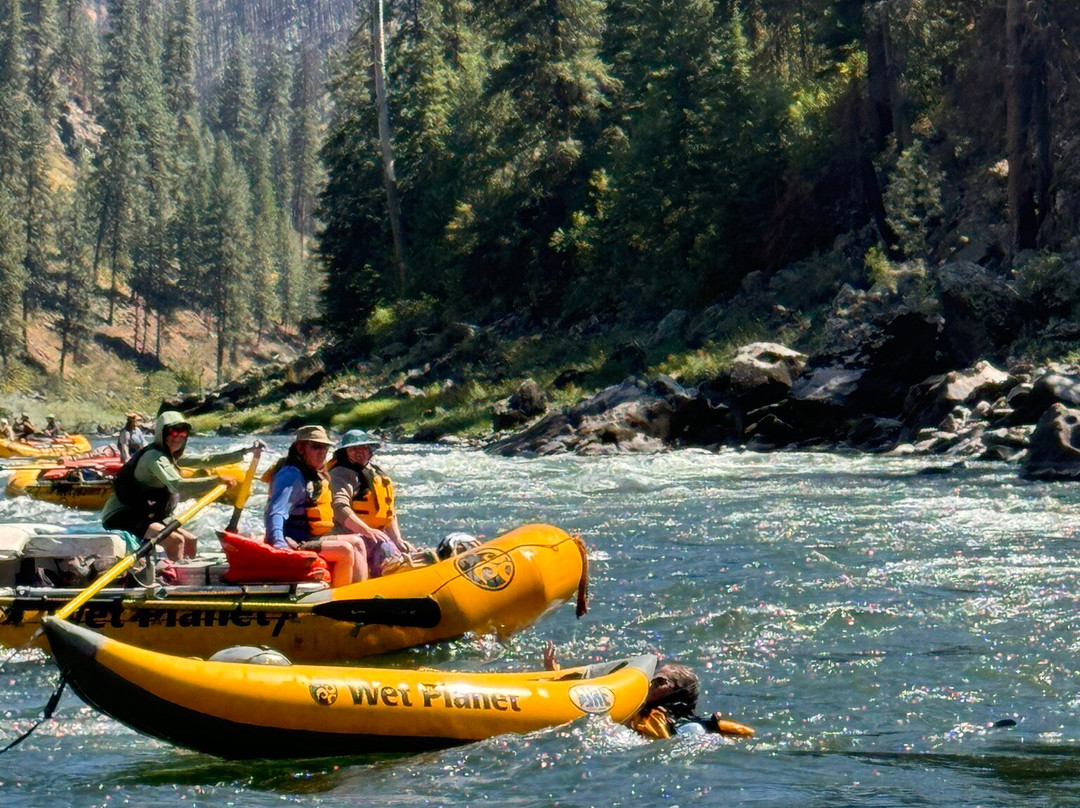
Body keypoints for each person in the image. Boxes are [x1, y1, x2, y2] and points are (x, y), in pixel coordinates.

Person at [101, 411, 247, 561]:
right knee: (175, 541)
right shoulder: (154, 457)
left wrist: (243, 453)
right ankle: (174, 573)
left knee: (190, 541)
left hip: (144, 514)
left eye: (182, 433)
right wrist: (216, 481)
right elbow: (178, 485)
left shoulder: (170, 456)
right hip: (121, 515)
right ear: (162, 434)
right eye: (172, 432)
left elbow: (205, 460)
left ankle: (187, 572)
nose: (177, 437)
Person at [543, 643, 755, 740]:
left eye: (659, 682)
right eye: (652, 677)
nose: (650, 683)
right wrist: (554, 673)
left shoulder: (657, 719)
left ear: (677, 694)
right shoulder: (657, 715)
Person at [263, 425, 371, 587]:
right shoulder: (291, 475)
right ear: (301, 448)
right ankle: (341, 597)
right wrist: (279, 545)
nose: (322, 452)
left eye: (325, 448)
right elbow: (276, 512)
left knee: (358, 541)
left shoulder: (312, 473)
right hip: (293, 541)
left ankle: (360, 592)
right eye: (316, 447)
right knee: (345, 549)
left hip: (310, 537)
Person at [328, 429, 414, 576]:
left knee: (403, 548)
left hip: (375, 534)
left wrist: (397, 539)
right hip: (349, 534)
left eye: (363, 447)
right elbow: (339, 508)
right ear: (344, 452)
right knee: (384, 546)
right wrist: (366, 530)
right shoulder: (340, 474)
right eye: (353, 449)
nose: (359, 452)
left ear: (369, 450)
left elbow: (388, 513)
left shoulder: (376, 473)